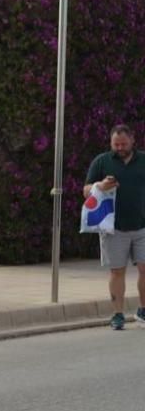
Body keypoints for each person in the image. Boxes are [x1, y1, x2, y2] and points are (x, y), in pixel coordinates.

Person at [84, 124, 145, 330]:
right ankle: (118, 314)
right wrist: (99, 186)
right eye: (115, 144)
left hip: (142, 226)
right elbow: (86, 191)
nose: (119, 147)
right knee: (117, 271)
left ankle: (143, 310)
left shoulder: (143, 160)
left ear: (132, 141)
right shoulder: (102, 161)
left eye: (123, 144)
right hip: (114, 227)